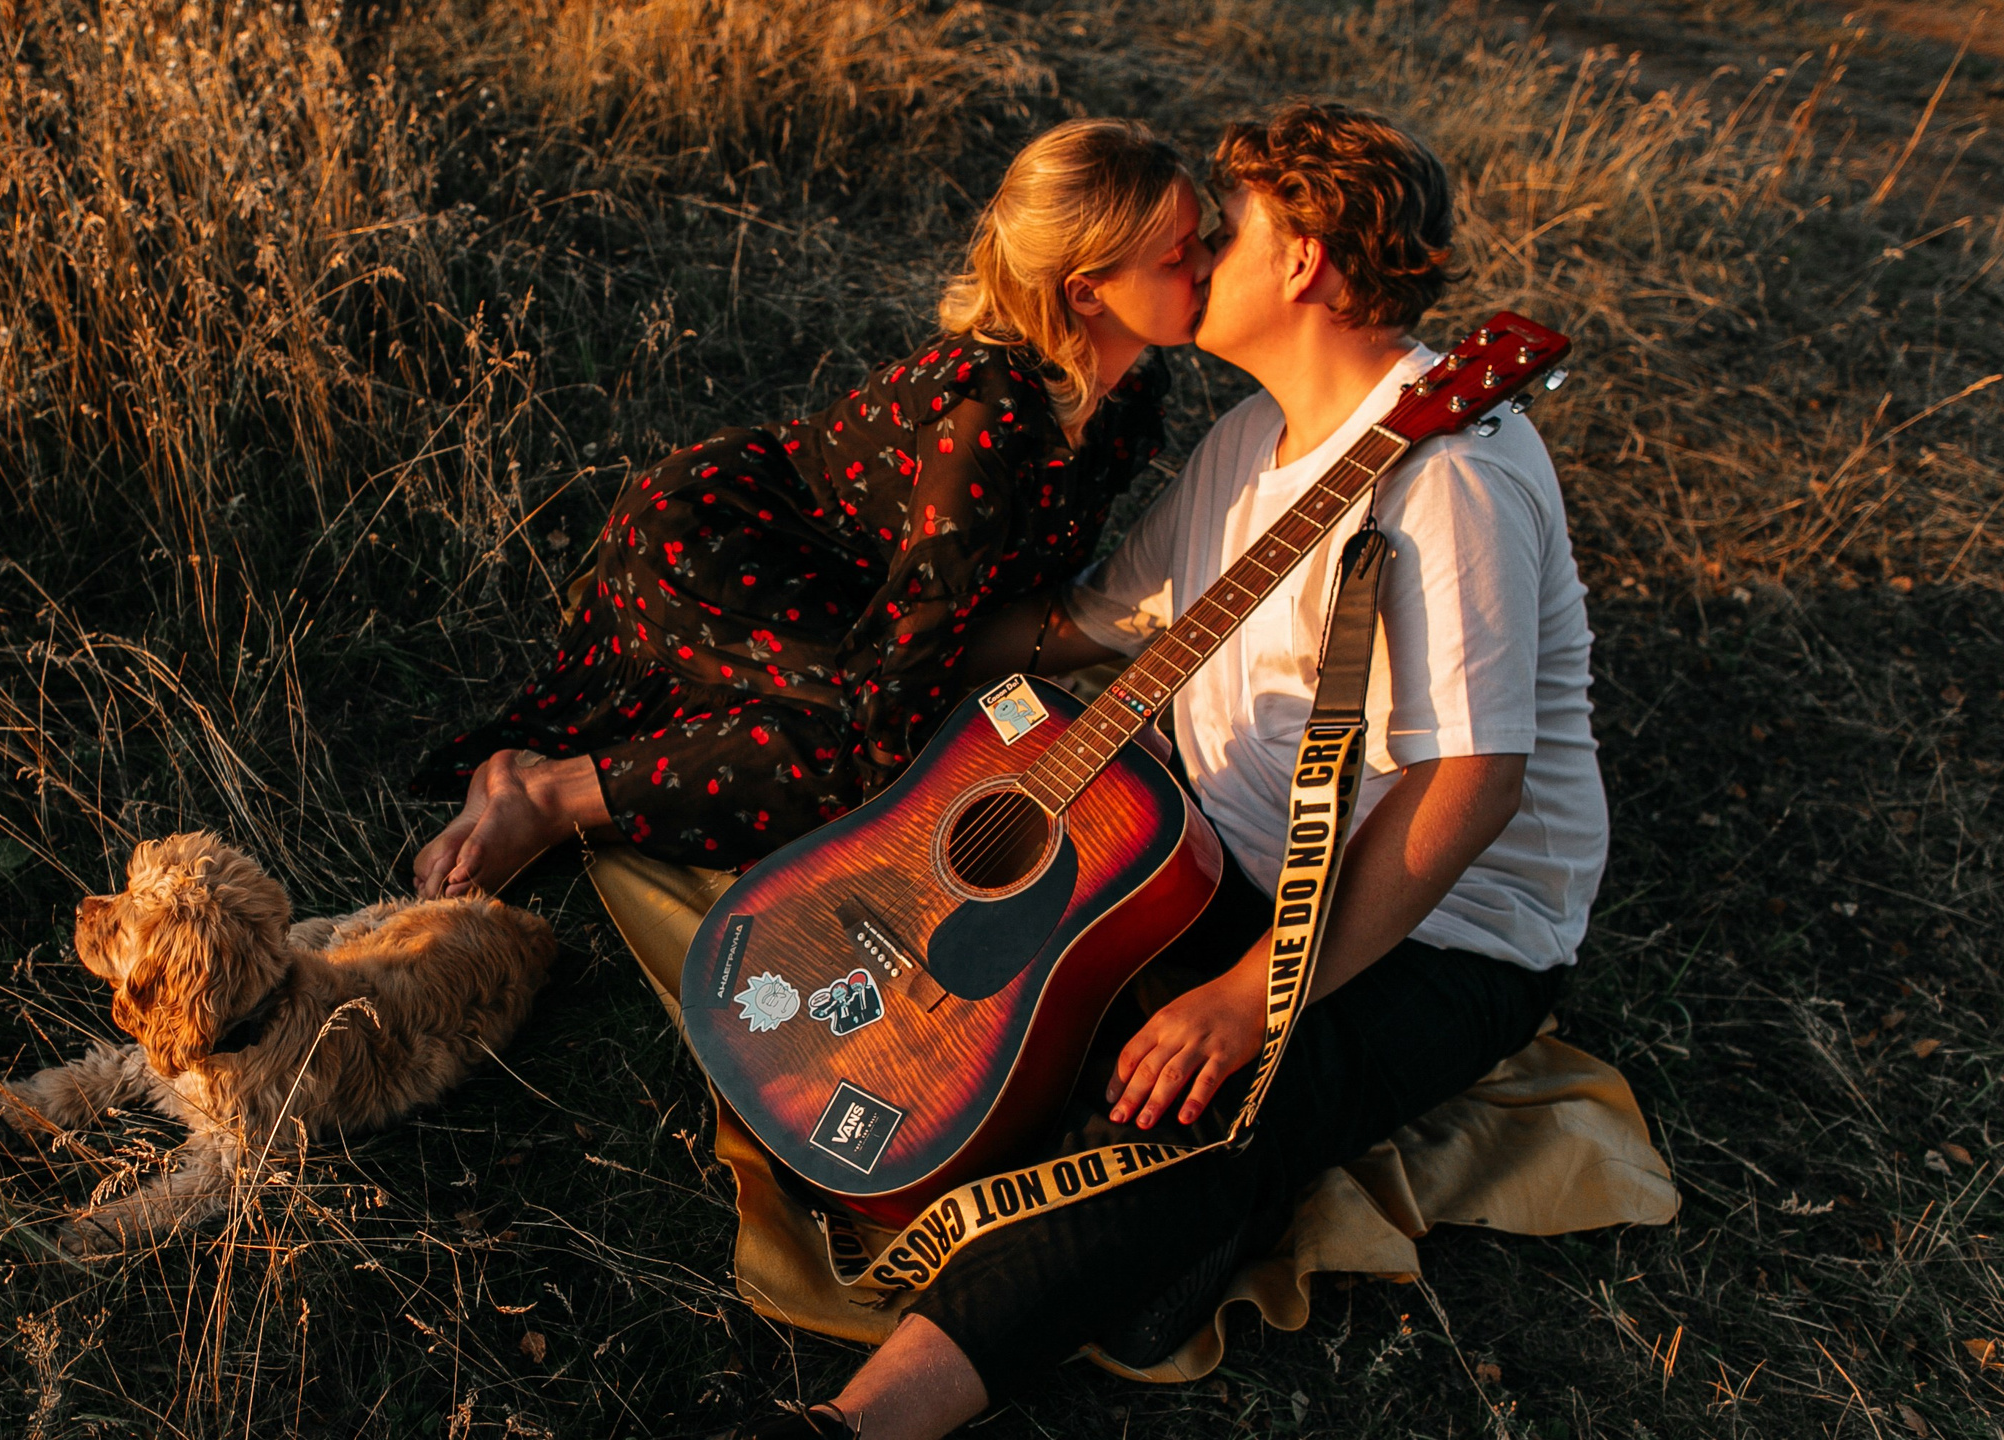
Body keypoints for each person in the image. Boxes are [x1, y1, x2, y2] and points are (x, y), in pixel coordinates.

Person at [731, 102, 1608, 1439]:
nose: (1196, 254)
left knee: (1201, 1112)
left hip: (1441, 928)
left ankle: (858, 1420)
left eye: (1230, 228)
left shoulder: (1451, 481)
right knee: (983, 1009)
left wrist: (1253, 999)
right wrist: (867, 621)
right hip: (1213, 856)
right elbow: (1090, 627)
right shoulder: (1245, 444)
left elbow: (1470, 789)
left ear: (1305, 258)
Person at [410, 119, 1208, 898]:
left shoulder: (1132, 389)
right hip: (721, 544)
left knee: (890, 731)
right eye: (1181, 255)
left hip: (830, 578)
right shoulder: (990, 411)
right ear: (1087, 291)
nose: (1210, 264)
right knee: (874, 759)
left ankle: (556, 789)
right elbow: (921, 625)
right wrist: (907, 783)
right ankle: (549, 797)